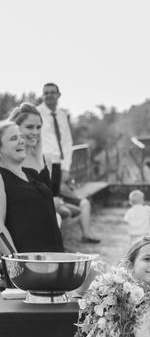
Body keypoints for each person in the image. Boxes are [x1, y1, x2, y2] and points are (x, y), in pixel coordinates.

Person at [8, 102, 99, 242]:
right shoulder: (8, 162)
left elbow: (48, 197)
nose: (35, 132)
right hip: (21, 232)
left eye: (39, 127)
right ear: (15, 128)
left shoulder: (46, 160)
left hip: (47, 230)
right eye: (29, 127)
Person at [37, 82, 100, 243]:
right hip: (44, 163)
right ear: (43, 95)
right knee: (51, 204)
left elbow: (67, 142)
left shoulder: (62, 115)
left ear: (59, 95)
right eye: (46, 93)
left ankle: (65, 239)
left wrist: (66, 167)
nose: (49, 95)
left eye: (52, 92)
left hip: (59, 165)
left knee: (58, 202)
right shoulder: (37, 113)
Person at [0, 120, 63, 254]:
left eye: (21, 137)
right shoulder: (1, 177)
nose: (21, 141)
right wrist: (16, 263)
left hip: (54, 257)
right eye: (13, 138)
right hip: (28, 265)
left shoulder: (32, 173)